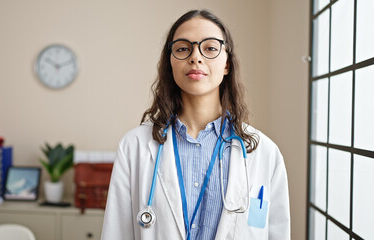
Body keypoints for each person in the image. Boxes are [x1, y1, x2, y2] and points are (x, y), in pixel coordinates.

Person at [102, 9, 290, 240]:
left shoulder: (265, 152)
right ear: (170, 63)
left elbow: (276, 233)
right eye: (182, 48)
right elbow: (116, 233)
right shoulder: (134, 146)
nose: (196, 57)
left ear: (227, 64)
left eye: (210, 48)